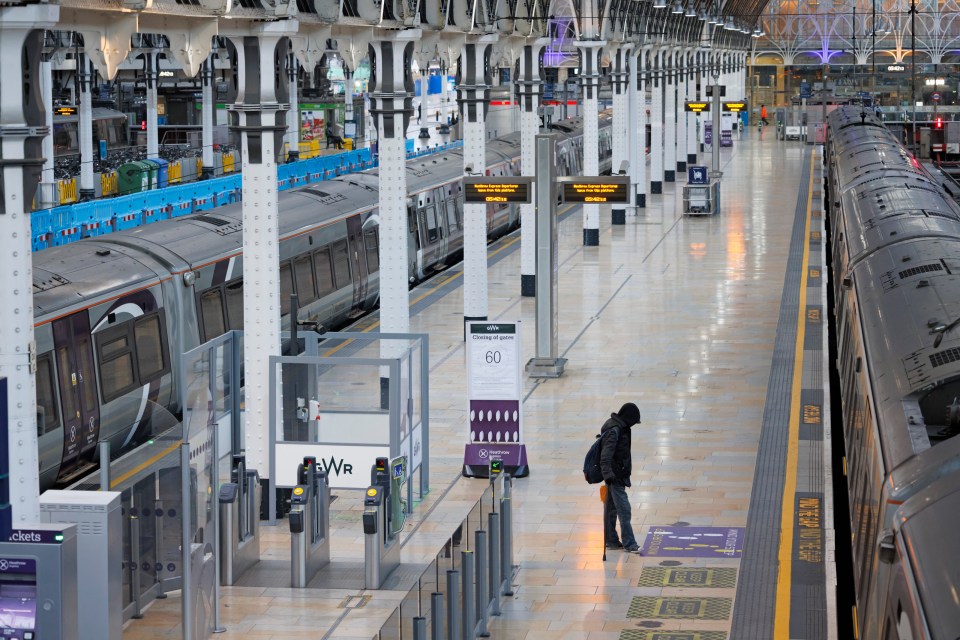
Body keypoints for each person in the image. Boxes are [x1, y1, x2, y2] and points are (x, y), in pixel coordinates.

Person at [600, 402, 642, 553]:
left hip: (615, 475)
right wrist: (609, 476)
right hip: (614, 477)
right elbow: (605, 457)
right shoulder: (615, 430)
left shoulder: (619, 426)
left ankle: (611, 540)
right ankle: (630, 544)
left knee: (610, 509)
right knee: (624, 509)